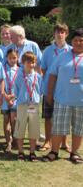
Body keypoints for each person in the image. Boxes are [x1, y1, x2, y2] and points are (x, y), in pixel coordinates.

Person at [44, 28, 83, 164]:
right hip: (62, 99)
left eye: (81, 41)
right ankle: (54, 151)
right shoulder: (63, 55)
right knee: (58, 127)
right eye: (76, 40)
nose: (79, 43)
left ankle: (75, 153)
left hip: (81, 101)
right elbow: (52, 75)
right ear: (71, 41)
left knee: (79, 128)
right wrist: (49, 94)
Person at [40, 23, 71, 152]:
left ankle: (64, 143)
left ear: (66, 34)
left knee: (65, 117)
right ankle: (48, 141)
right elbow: (43, 69)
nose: (59, 34)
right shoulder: (47, 50)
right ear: (54, 34)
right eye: (57, 32)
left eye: (62, 32)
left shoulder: (71, 50)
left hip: (65, 90)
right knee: (49, 116)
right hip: (49, 90)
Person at [14, 52, 42, 162]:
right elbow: (16, 91)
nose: (31, 64)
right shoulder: (19, 76)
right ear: (23, 63)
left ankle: (32, 152)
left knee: (33, 129)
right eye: (28, 62)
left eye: (33, 62)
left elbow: (39, 91)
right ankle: (20, 152)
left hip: (33, 105)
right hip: (22, 105)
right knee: (20, 128)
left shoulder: (38, 76)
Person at [1, 49, 19, 153]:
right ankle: (8, 142)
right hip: (5, 98)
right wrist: (5, 96)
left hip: (15, 99)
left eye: (14, 58)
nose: (12, 60)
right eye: (10, 58)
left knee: (14, 120)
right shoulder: (3, 69)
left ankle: (15, 140)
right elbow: (0, 83)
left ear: (17, 58)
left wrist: (13, 97)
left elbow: (21, 86)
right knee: (6, 120)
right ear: (6, 58)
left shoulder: (20, 70)